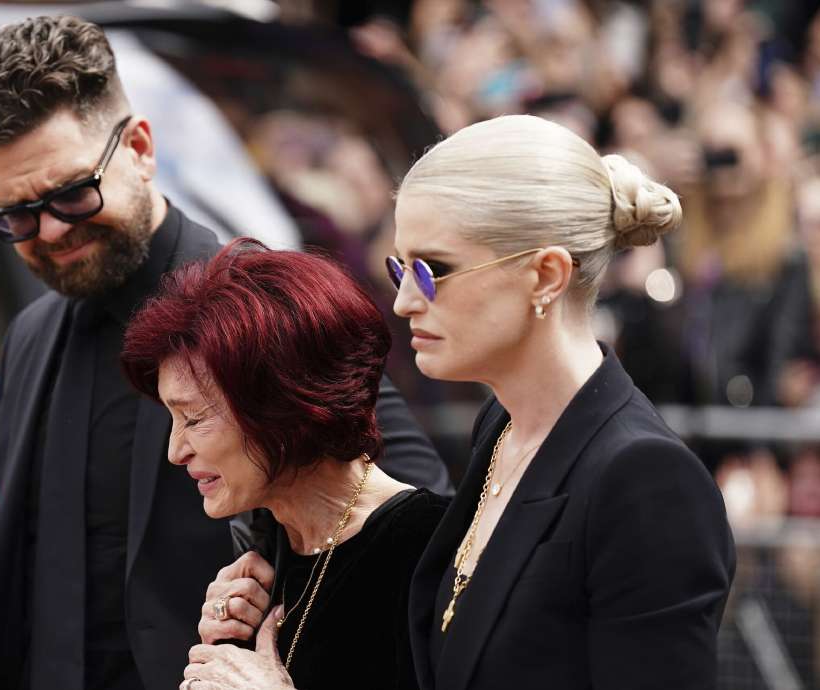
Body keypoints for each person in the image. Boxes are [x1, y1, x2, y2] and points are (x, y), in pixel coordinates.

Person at [0, 16, 451, 690]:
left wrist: (288, 628)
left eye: (70, 193)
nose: (51, 229)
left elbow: (411, 529)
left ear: (141, 148)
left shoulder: (258, 310)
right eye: (16, 215)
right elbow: (20, 598)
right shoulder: (32, 335)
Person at [184, 114, 736, 690]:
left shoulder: (645, 479)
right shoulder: (501, 427)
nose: (403, 301)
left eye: (431, 270)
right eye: (402, 267)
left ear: (545, 275)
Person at [121, 240, 448, 690]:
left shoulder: (433, 550)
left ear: (283, 406)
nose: (177, 451)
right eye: (172, 419)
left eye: (194, 418)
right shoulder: (262, 546)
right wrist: (224, 647)